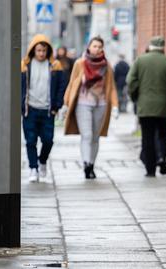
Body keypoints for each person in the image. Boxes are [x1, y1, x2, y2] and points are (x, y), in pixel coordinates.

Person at [127, 36, 166, 177]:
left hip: (144, 106)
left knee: (147, 137)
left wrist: (136, 97)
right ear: (163, 47)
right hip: (164, 106)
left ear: (150, 46)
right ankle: (162, 158)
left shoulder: (140, 61)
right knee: (163, 133)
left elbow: (130, 81)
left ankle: (150, 169)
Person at [63, 36, 119, 179]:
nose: (97, 49)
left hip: (101, 104)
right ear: (89, 47)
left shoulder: (106, 66)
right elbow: (72, 83)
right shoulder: (80, 63)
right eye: (95, 46)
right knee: (86, 135)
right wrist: (66, 103)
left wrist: (115, 106)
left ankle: (92, 164)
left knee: (95, 137)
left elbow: (111, 87)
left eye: (100, 47)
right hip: (83, 104)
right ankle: (86, 164)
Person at [21, 34, 67, 182]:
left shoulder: (55, 66)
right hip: (30, 109)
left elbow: (61, 86)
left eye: (44, 50)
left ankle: (42, 161)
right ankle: (33, 168)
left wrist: (57, 106)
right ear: (33, 50)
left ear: (48, 51)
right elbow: (18, 86)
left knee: (48, 140)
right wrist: (21, 106)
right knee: (30, 141)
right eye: (38, 50)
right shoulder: (24, 65)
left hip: (48, 110)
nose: (41, 53)